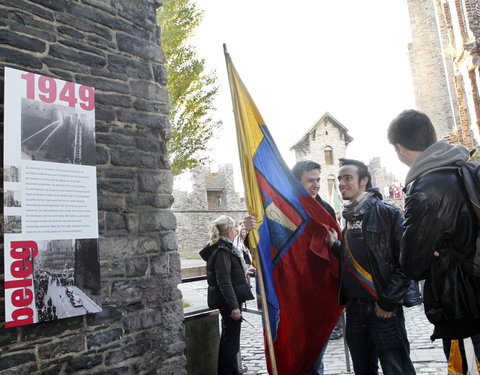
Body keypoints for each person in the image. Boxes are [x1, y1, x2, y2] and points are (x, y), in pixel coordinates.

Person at [387, 109, 480, 365]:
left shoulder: (425, 187)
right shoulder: (467, 168)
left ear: (400, 148)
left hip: (462, 307)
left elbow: (412, 264)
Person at [325, 158, 418, 375]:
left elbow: (406, 261)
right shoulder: (350, 215)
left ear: (364, 180)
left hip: (382, 308)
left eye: (347, 178)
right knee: (363, 369)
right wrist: (336, 247)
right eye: (339, 179)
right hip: (356, 310)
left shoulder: (386, 212)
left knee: (396, 368)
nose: (341, 183)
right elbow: (364, 256)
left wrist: (387, 302)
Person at [245, 160, 337, 375]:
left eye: (318, 180)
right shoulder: (280, 210)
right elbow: (265, 249)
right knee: (293, 356)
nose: (316, 185)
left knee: (313, 357)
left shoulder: (326, 210)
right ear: (296, 182)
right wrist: (252, 231)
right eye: (310, 180)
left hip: (318, 295)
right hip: (290, 296)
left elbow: (337, 252)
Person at [200, 215, 252, 375]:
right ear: (229, 230)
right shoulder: (222, 250)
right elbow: (224, 282)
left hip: (229, 301)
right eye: (234, 228)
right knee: (230, 344)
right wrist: (234, 307)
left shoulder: (224, 247)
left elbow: (231, 272)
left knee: (229, 341)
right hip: (229, 303)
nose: (236, 230)